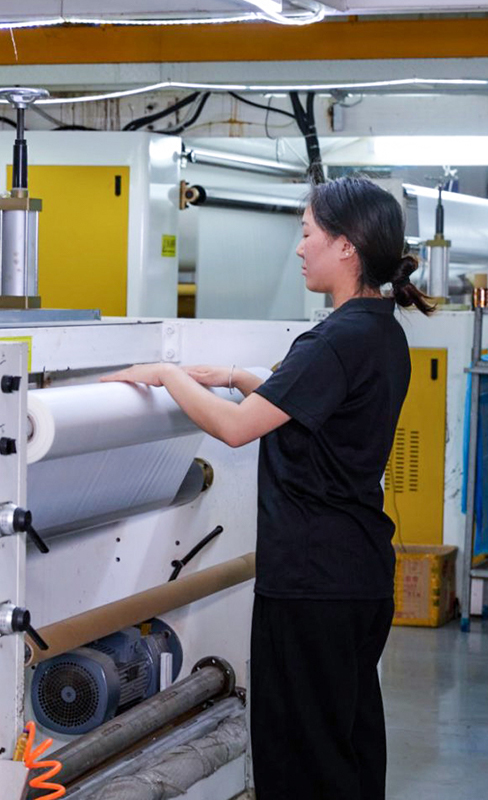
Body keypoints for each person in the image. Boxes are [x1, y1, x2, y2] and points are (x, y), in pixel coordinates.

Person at [101, 176, 435, 800]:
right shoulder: (380, 331)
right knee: (347, 745)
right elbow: (316, 413)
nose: (300, 248)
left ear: (346, 245)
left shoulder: (334, 340)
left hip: (311, 582)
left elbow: (235, 430)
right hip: (358, 573)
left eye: (308, 234)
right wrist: (235, 376)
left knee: (300, 761)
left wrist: (168, 375)